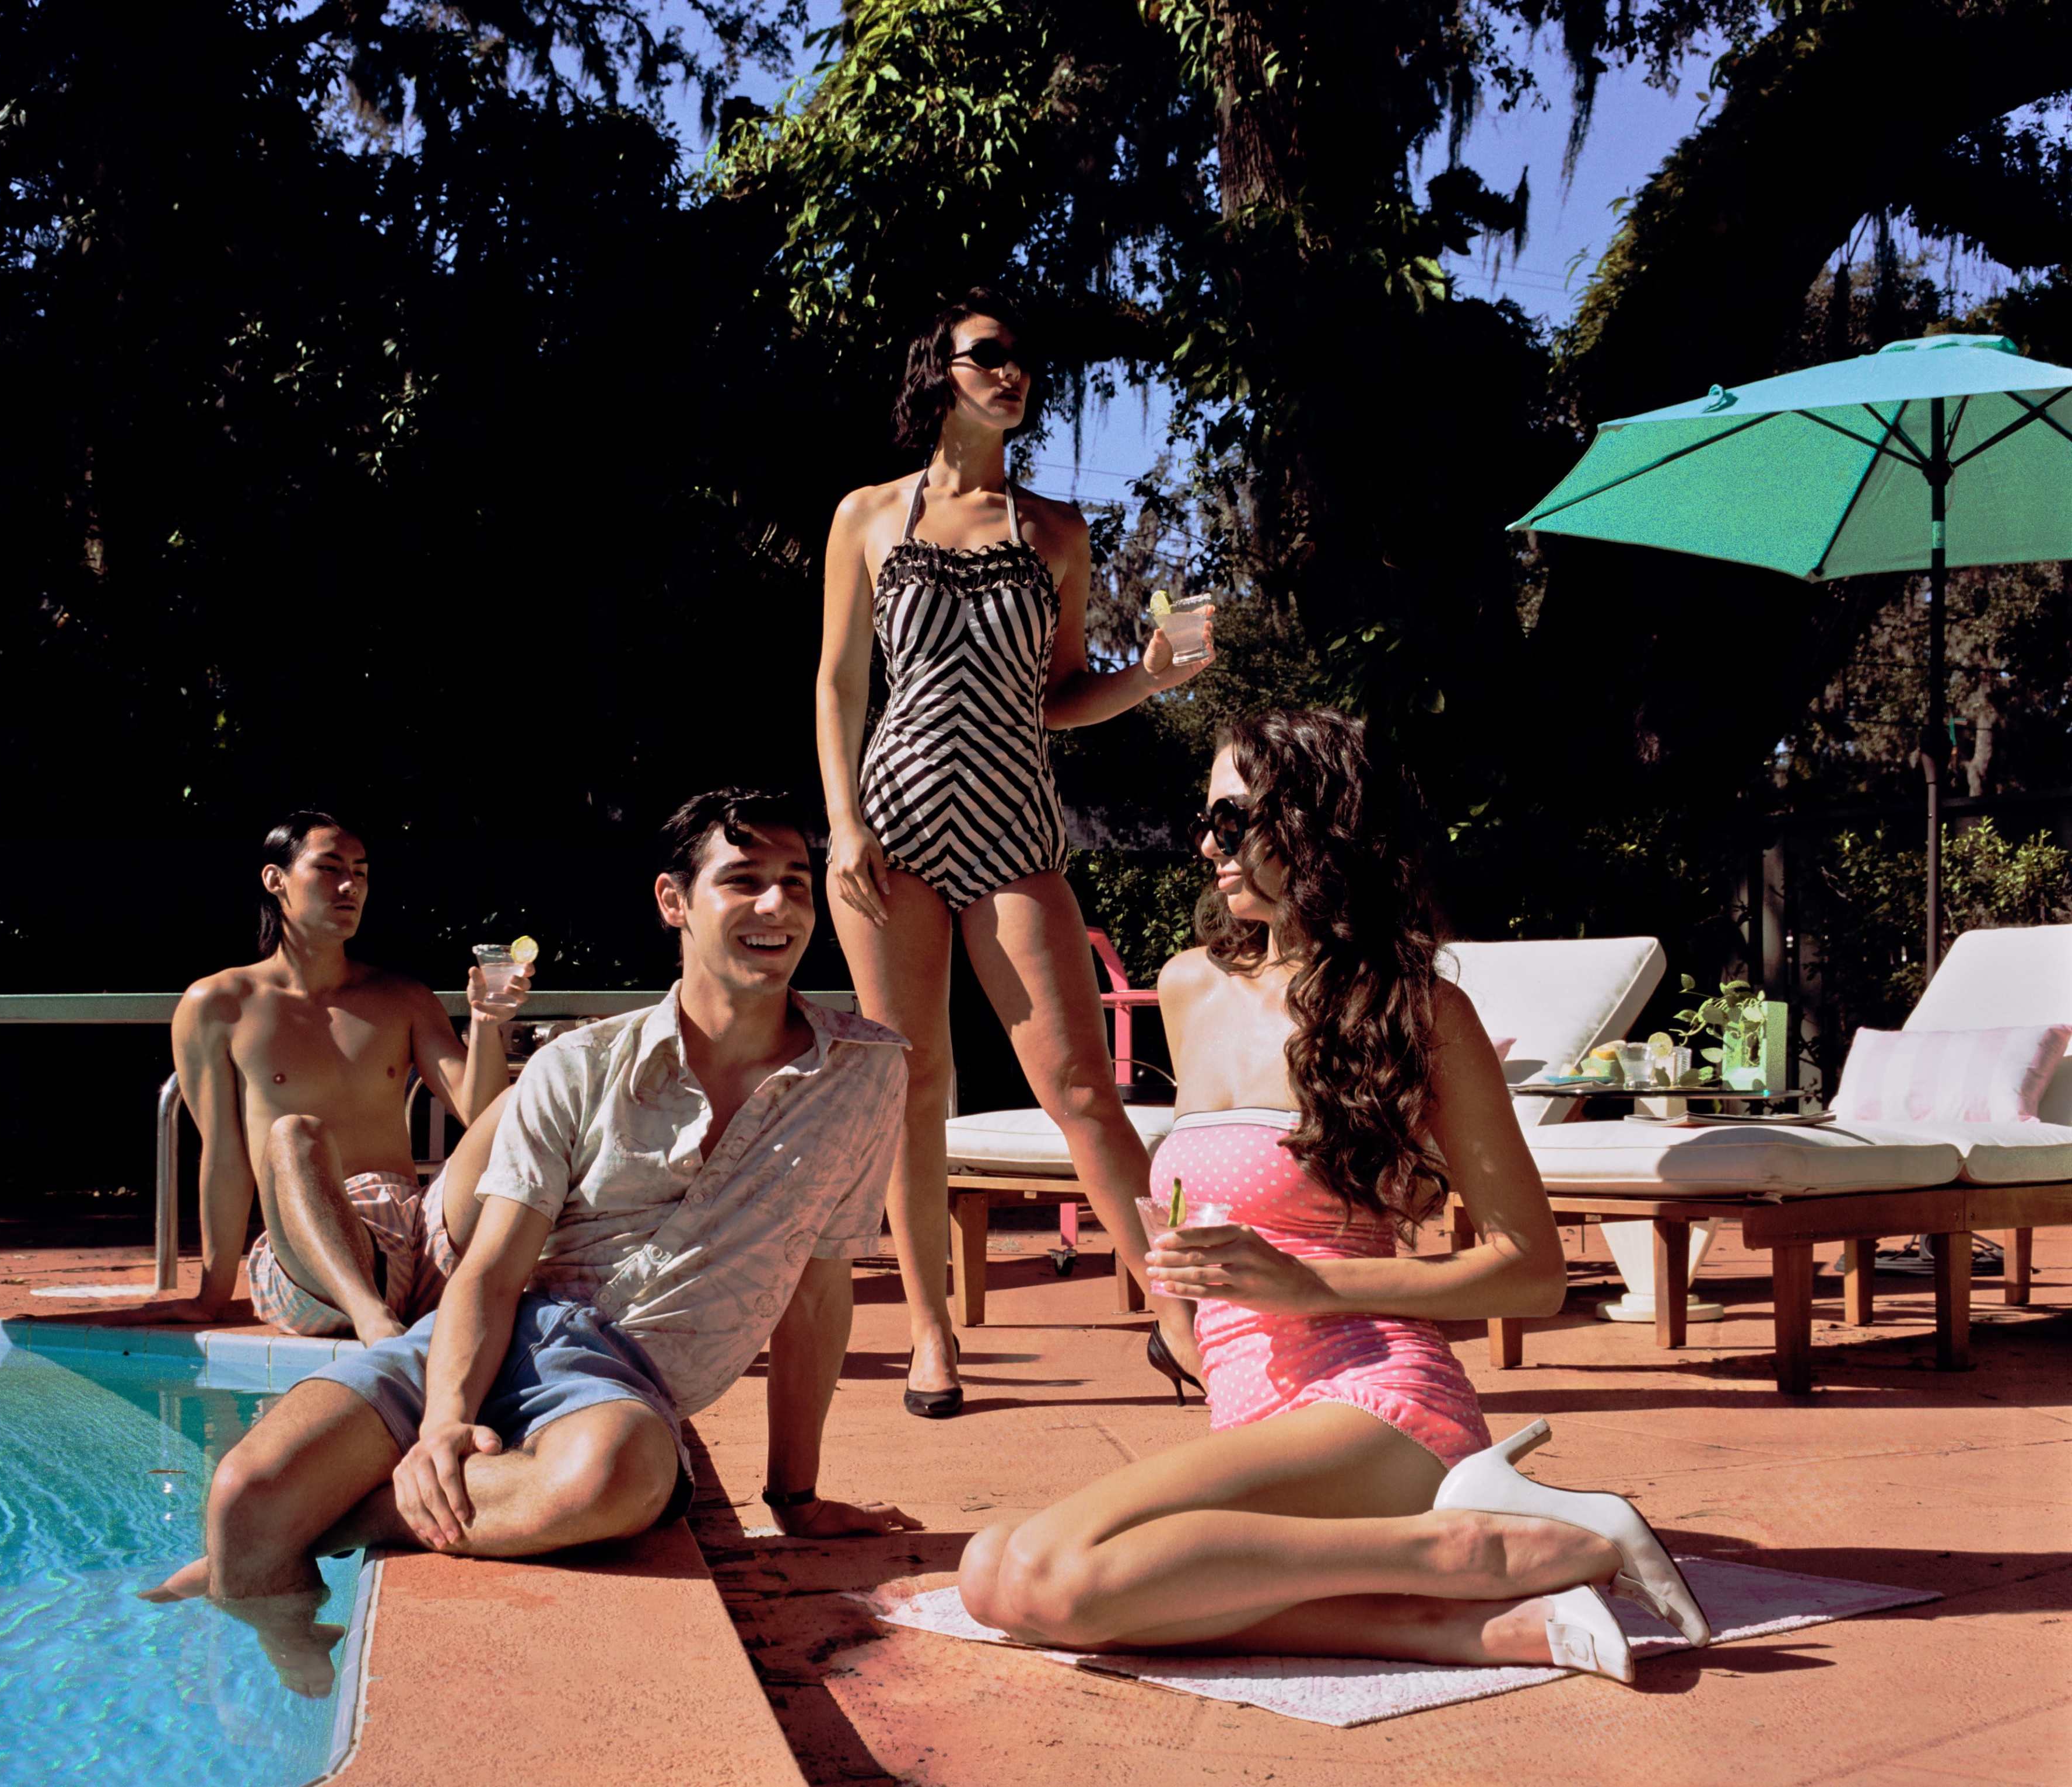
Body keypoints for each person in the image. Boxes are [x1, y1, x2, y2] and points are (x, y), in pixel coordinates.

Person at [955, 711, 1712, 1683]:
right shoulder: (1189, 987)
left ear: (1313, 825)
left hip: (1376, 1401)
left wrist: (1307, 1285)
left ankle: (1465, 1548)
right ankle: (1462, 1611)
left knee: (1054, 1574)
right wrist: (1172, 1290)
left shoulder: (1421, 1012)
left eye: (1232, 823)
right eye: (1206, 822)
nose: (1206, 846)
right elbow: (1196, 1198)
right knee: (989, 1576)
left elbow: (1532, 1273)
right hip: (1249, 1402)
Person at [145, 789, 918, 1692]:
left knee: (615, 1476)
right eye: (743, 882)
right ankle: (290, 1664)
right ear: (674, 902)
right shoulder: (582, 1063)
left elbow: (820, 1286)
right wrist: (440, 1425)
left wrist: (795, 1496)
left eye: (795, 885)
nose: (778, 908)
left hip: (618, 1378)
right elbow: (492, 1271)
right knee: (242, 1494)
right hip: (489, 1327)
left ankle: (342, 1520)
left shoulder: (864, 1072)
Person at [817, 285, 1216, 1417]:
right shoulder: (868, 517)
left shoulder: (1055, 533)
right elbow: (841, 681)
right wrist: (842, 822)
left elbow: (1058, 697)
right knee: (911, 1082)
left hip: (1013, 822)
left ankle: (1178, 1317)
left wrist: (1148, 678)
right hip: (890, 816)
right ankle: (934, 1336)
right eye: (988, 356)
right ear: (938, 370)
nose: (1012, 374)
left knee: (1081, 1084)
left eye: (1021, 362)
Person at [102, 810, 527, 1344]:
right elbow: (227, 1156)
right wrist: (213, 1296)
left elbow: (483, 1116)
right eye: (330, 868)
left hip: (419, 1242)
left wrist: (488, 1023)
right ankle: (371, 1317)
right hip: (311, 1253)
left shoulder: (401, 998)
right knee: (292, 1134)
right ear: (275, 879)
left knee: (524, 1100)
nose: (350, 885)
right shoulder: (219, 1005)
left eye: (361, 871)